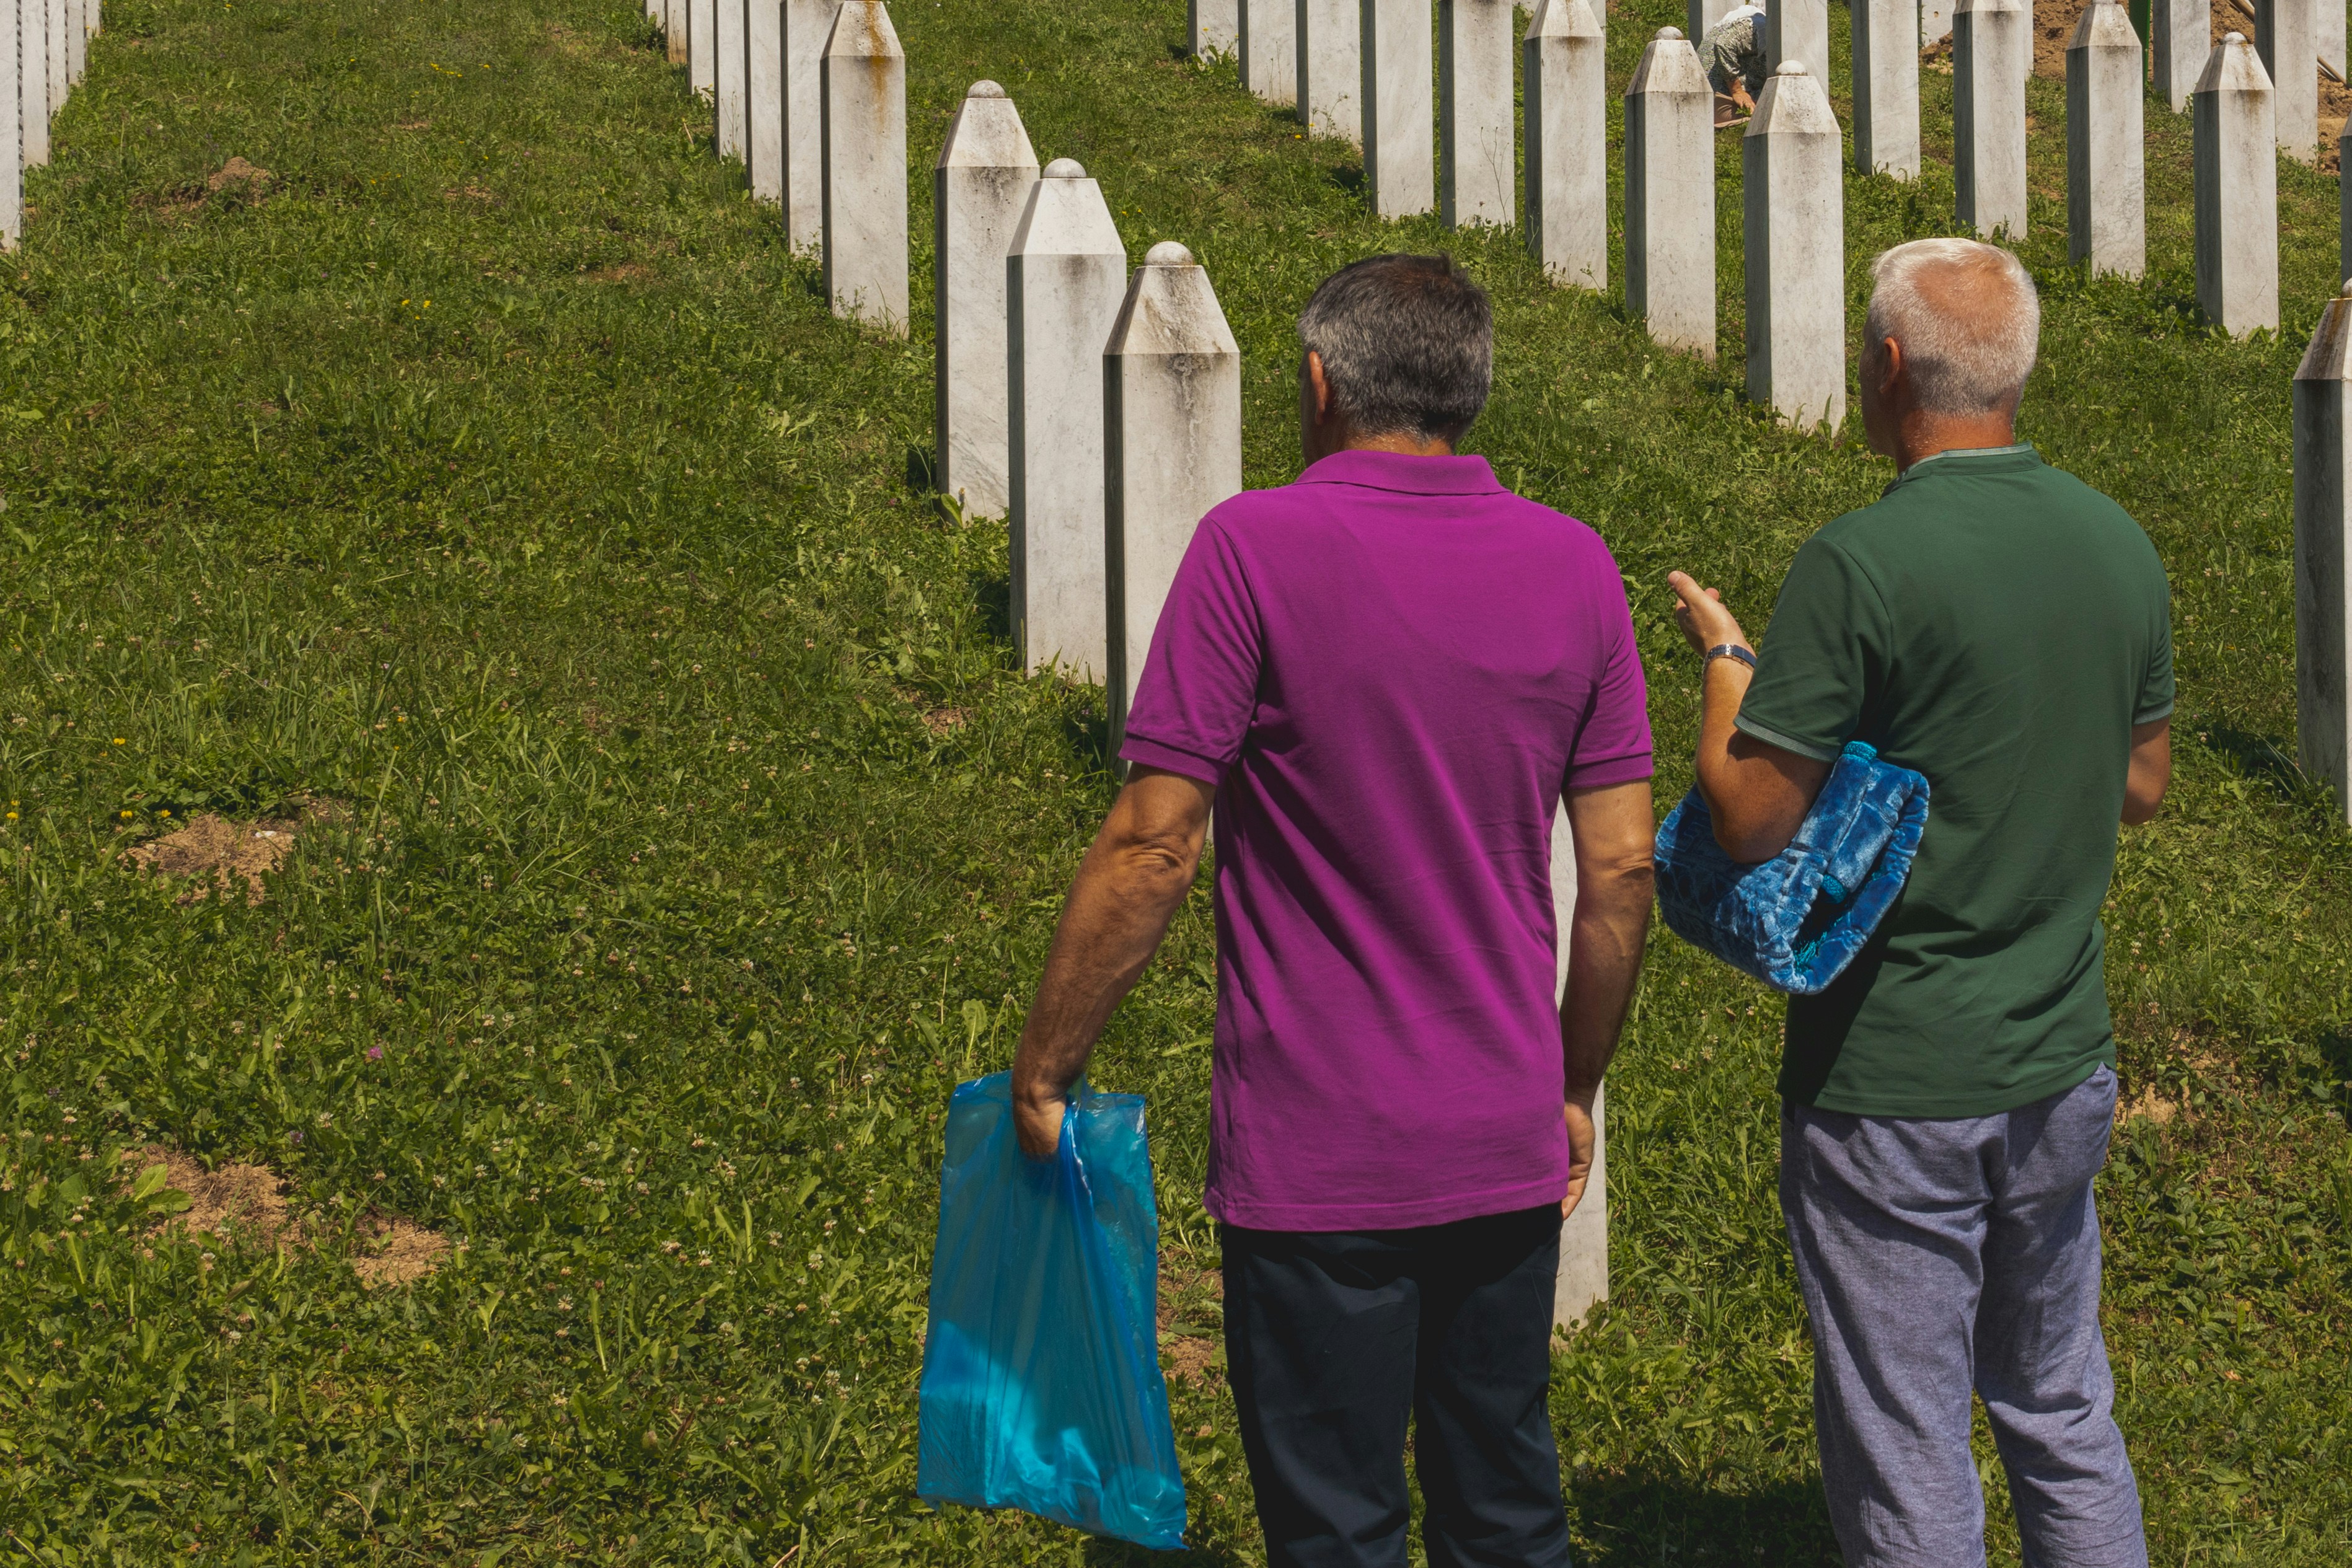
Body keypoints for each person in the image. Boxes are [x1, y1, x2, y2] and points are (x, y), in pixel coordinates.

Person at [1008, 253, 1657, 1567]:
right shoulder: (1577, 565)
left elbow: (1152, 841)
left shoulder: (1253, 545)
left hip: (1318, 1149)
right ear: (1472, 389)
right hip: (1498, 1130)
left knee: (1335, 1522)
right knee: (1507, 1506)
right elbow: (1622, 872)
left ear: (1314, 385)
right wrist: (1572, 1077)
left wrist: (1047, 1062)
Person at [1667, 237, 2169, 1568]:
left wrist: (1727, 668)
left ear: (1885, 366)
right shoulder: (2116, 541)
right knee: (2058, 1393)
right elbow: (2142, 780)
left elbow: (1751, 813)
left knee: (1904, 1439)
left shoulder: (1861, 560)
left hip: (1892, 1070)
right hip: (2060, 1053)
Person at [1699, 2, 1769, 127]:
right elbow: (1724, 44)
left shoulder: (1740, 19)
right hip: (1721, 100)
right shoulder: (1758, 25)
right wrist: (1736, 90)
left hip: (1708, 99)